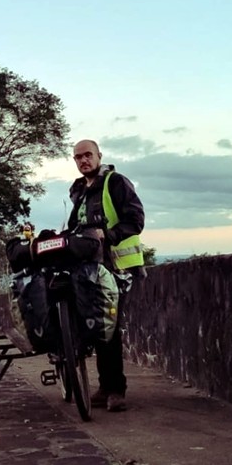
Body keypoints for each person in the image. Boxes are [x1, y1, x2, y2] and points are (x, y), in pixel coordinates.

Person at [66, 139, 146, 412]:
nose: (83, 161)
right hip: (89, 269)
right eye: (78, 157)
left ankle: (117, 391)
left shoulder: (115, 182)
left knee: (109, 329)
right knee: (96, 328)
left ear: (99, 155)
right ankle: (104, 386)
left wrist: (107, 236)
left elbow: (136, 220)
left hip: (116, 268)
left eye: (87, 155)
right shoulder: (78, 190)